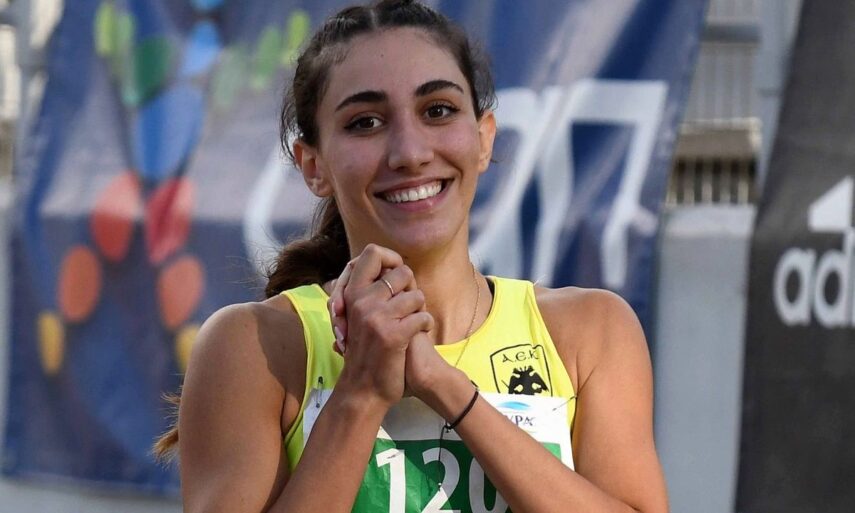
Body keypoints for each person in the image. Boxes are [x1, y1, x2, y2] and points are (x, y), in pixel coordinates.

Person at [155, 1, 668, 512]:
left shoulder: (589, 331)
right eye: (365, 122)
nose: (410, 152)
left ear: (484, 138)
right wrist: (360, 392)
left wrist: (447, 387)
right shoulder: (255, 346)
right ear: (313, 166)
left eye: (438, 110)